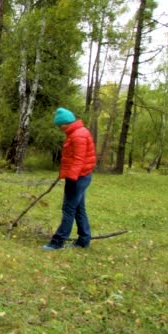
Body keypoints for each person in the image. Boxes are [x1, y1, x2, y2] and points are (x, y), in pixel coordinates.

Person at [43, 107, 96, 250]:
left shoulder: (78, 135)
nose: (59, 128)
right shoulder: (78, 132)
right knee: (79, 209)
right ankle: (84, 240)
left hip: (78, 178)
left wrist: (71, 178)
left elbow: (79, 159)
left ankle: (57, 242)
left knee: (69, 209)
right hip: (81, 176)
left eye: (59, 125)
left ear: (65, 123)